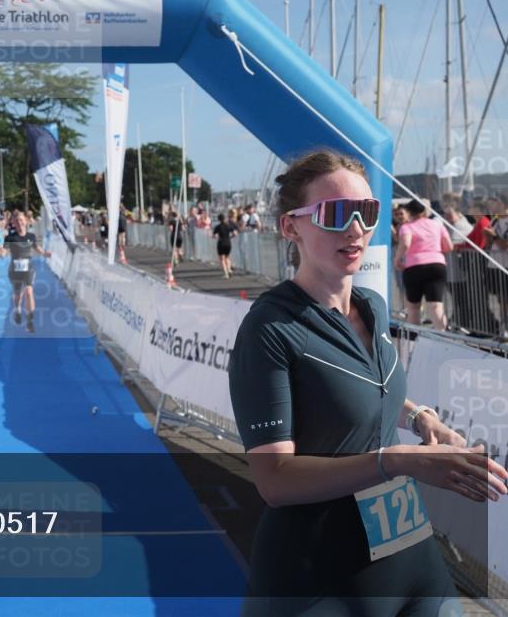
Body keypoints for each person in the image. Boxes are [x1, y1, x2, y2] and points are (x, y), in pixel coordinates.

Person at [228, 150, 506, 616]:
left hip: (411, 560)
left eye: (368, 211)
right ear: (291, 227)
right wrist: (397, 461)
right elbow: (273, 481)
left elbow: (366, 385)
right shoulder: (270, 330)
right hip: (317, 578)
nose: (356, 228)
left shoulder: (373, 306)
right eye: (335, 214)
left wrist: (421, 418)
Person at [394, 200, 453, 331]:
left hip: (414, 266)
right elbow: (449, 246)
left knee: (413, 306)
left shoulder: (407, 227)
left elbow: (405, 244)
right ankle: (443, 336)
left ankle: (415, 337)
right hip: (437, 264)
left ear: (409, 212)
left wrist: (397, 259)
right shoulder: (437, 225)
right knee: (436, 305)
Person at [0, 211, 51, 332]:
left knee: (29, 291)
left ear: (26, 221)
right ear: (14, 223)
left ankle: (30, 320)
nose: (19, 223)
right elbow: (4, 250)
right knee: (18, 294)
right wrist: (1, 253)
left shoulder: (31, 236)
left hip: (29, 269)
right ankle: (17, 309)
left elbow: (37, 248)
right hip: (15, 269)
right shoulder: (10, 237)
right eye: (17, 221)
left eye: (21, 220)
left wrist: (44, 253)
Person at [212, 213, 237, 278]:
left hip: (221, 243)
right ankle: (229, 270)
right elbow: (235, 233)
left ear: (219, 219)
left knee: (222, 259)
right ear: (225, 218)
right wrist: (230, 237)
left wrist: (216, 236)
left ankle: (226, 273)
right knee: (227, 257)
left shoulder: (217, 227)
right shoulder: (228, 226)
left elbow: (213, 236)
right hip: (228, 242)